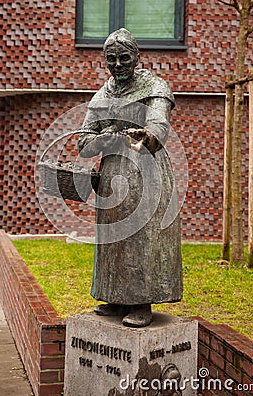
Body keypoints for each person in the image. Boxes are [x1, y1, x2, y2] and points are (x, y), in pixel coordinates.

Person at [78, 28, 182, 327]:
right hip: (113, 175)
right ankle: (114, 296)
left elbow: (159, 126)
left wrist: (145, 134)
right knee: (113, 238)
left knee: (141, 237)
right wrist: (105, 140)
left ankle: (142, 300)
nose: (118, 64)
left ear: (137, 57)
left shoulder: (155, 86)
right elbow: (84, 142)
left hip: (146, 172)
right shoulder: (102, 94)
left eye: (125, 58)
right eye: (111, 59)